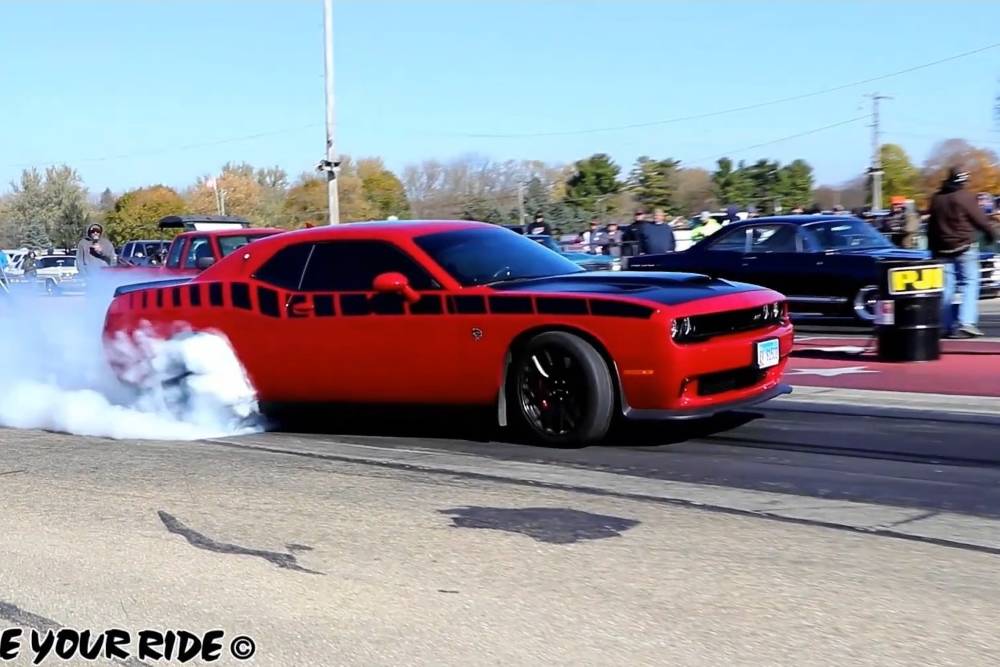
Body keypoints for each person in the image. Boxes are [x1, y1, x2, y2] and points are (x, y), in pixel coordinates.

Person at [927, 167, 999, 338]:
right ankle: (965, 323)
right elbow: (980, 219)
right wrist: (991, 234)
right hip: (964, 247)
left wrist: (932, 249)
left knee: (946, 288)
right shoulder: (964, 197)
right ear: (963, 181)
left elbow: (931, 226)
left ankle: (945, 325)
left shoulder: (937, 198)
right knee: (970, 283)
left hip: (941, 250)